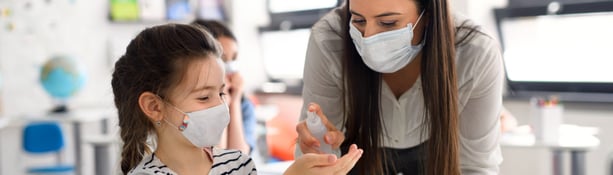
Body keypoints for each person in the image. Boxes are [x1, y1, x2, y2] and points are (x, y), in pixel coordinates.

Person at [111, 23, 363, 175]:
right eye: (204, 97)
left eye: (221, 93)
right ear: (154, 107)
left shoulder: (238, 163)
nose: (220, 105)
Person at [295, 0, 504, 174]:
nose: (368, 37)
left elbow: (476, 167)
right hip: (355, 154)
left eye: (388, 22)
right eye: (358, 20)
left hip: (438, 155)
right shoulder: (328, 39)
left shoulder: (475, 52)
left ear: (429, 14)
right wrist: (319, 152)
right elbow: (314, 159)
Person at [191, 19, 256, 155]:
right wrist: (220, 104)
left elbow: (239, 158)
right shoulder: (191, 104)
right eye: (223, 59)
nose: (230, 66)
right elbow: (213, 160)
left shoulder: (244, 105)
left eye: (234, 59)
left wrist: (235, 103)